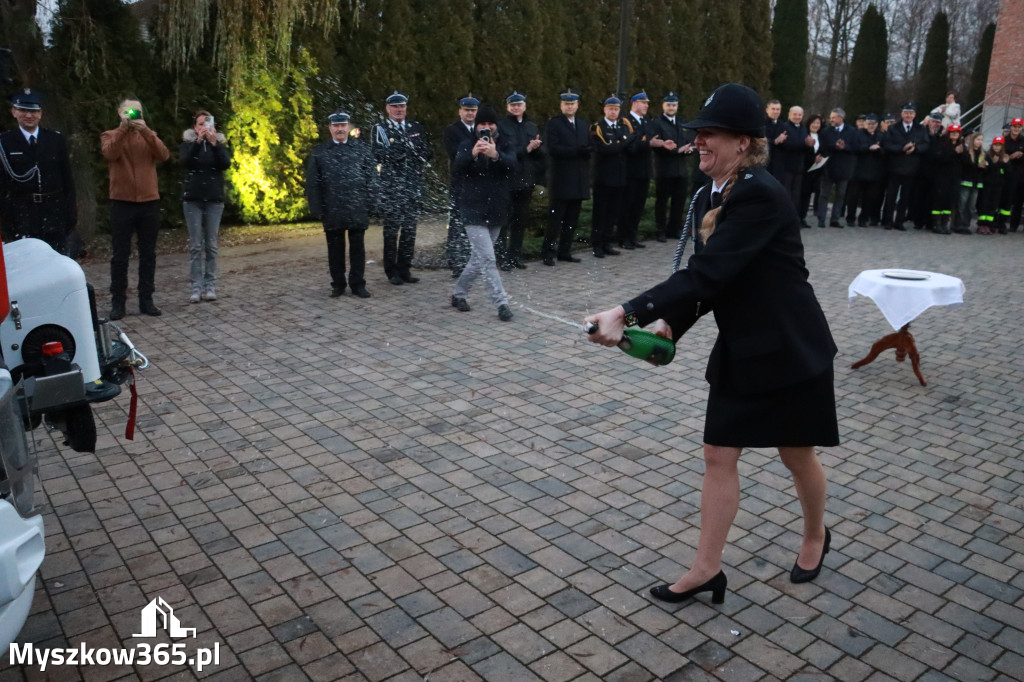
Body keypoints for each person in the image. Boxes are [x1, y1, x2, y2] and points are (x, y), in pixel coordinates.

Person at [585, 84, 838, 605]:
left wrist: (625, 311)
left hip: (791, 348)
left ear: (743, 142)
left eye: (709, 136)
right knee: (718, 454)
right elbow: (711, 280)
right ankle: (706, 569)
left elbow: (710, 272)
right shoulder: (710, 193)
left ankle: (816, 535)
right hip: (743, 348)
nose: (697, 142)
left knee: (797, 455)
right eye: (696, 135)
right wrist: (669, 327)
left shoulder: (761, 195)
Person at [100, 97, 170, 319]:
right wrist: (122, 129)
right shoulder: (110, 135)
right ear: (120, 112)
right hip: (122, 202)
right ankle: (118, 302)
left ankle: (146, 299)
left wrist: (146, 131)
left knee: (148, 254)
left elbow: (164, 155)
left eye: (137, 112)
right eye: (129, 112)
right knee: (120, 255)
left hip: (149, 201)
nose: (133, 116)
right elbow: (110, 153)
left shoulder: (148, 135)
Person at [449, 105, 515, 322]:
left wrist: (496, 155)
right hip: (472, 209)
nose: (486, 128)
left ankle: (459, 293)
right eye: (482, 124)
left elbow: (513, 165)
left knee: (478, 259)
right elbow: (457, 168)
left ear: (496, 125)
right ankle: (501, 303)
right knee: (487, 258)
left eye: (490, 124)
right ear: (476, 126)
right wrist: (473, 154)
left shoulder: (505, 142)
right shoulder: (467, 144)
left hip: (496, 209)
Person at [305, 110, 375, 298]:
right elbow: (313, 183)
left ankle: (358, 284)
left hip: (357, 207)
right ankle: (338, 284)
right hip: (332, 208)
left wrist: (372, 203)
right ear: (330, 128)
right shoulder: (320, 152)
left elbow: (372, 178)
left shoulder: (361, 149)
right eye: (335, 126)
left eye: (343, 125)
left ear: (348, 127)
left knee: (357, 249)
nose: (339, 129)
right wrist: (317, 208)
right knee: (335, 250)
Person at [0, 89, 76, 254]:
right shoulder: (5, 142)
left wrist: (70, 214)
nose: (29, 115)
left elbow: (67, 179)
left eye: (33, 111)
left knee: (56, 261)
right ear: (14, 112)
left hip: (54, 212)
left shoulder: (55, 139)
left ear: (40, 113)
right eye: (23, 110)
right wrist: (6, 220)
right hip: (21, 214)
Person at [371, 91, 433, 285]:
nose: (399, 110)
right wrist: (395, 154)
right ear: (388, 109)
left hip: (411, 186)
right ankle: (392, 271)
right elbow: (376, 154)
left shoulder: (415, 127)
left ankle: (405, 268)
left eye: (402, 106)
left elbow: (425, 150)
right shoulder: (380, 128)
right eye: (395, 106)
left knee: (409, 231)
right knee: (391, 232)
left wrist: (424, 153)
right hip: (391, 188)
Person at [180, 110, 231, 303]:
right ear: (195, 127)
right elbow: (184, 162)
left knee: (211, 245)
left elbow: (225, 163)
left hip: (214, 200)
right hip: (193, 200)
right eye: (200, 124)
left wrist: (214, 144)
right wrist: (197, 143)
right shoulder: (188, 145)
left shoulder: (219, 145)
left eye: (207, 123)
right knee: (195, 245)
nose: (204, 127)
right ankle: (196, 287)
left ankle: (210, 285)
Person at [496, 90, 544, 270]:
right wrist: (527, 149)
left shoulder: (531, 126)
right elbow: (504, 153)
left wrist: (537, 148)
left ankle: (515, 255)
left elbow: (540, 156)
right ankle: (502, 258)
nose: (516, 108)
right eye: (513, 105)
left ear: (524, 107)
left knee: (520, 221)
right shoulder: (501, 127)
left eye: (519, 105)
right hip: (508, 180)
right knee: (504, 222)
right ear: (508, 107)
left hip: (526, 180)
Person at [543, 88, 591, 266]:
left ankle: (565, 250)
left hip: (578, 179)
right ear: (561, 105)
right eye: (566, 104)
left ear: (577, 105)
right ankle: (548, 252)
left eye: (572, 104)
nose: (569, 107)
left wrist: (588, 150)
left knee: (572, 218)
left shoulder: (583, 124)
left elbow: (588, 144)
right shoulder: (554, 124)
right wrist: (575, 151)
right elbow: (553, 149)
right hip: (561, 179)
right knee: (555, 219)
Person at [589, 95, 633, 258]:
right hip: (604, 177)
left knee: (613, 212)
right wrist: (623, 143)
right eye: (610, 109)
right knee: (601, 212)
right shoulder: (598, 127)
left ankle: (607, 242)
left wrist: (620, 144)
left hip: (620, 177)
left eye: (616, 109)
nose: (613, 112)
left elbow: (628, 146)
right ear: (605, 110)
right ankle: (597, 244)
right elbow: (605, 149)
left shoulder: (622, 127)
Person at [649, 91, 695, 242]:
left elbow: (690, 141)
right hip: (664, 169)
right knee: (662, 201)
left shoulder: (682, 123)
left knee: (679, 200)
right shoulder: (657, 123)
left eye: (674, 105)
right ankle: (660, 230)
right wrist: (677, 151)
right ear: (663, 106)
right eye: (669, 105)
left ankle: (674, 229)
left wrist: (689, 150)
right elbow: (657, 146)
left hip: (681, 170)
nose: (671, 107)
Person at [443, 95, 478, 277]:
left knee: (476, 223)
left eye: (473, 110)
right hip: (460, 184)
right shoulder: (452, 131)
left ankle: (472, 261)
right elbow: (456, 156)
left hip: (478, 184)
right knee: (457, 223)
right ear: (460, 111)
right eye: (467, 110)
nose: (470, 113)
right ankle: (456, 262)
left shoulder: (481, 130)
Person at [881, 102, 929, 231]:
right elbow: (887, 144)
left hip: (911, 167)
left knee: (905, 197)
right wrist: (901, 148)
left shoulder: (920, 129)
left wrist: (915, 149)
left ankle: (899, 221)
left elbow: (925, 145)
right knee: (891, 196)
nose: (909, 115)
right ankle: (888, 220)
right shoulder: (893, 128)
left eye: (911, 113)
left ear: (915, 115)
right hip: (895, 166)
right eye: (906, 113)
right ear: (902, 114)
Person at [619, 90, 653, 250]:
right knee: (627, 205)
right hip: (631, 171)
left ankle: (632, 236)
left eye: (647, 103)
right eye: (643, 102)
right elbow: (630, 147)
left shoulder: (646, 122)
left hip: (644, 170)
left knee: (638, 205)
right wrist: (648, 143)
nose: (646, 105)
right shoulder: (626, 121)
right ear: (634, 103)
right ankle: (623, 237)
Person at [815, 107, 858, 227]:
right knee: (824, 194)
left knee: (840, 195)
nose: (831, 119)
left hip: (844, 167)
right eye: (831, 117)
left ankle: (835, 219)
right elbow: (822, 147)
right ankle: (821, 218)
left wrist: (845, 147)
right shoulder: (825, 131)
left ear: (841, 118)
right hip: (828, 167)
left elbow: (855, 148)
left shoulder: (852, 131)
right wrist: (834, 146)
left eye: (834, 117)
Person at [845, 113, 885, 227]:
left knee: (869, 197)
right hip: (858, 169)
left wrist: (878, 149)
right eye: (869, 124)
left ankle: (864, 218)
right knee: (853, 196)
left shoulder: (880, 135)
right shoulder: (857, 134)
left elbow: (885, 150)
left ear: (877, 125)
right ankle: (850, 217)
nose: (871, 126)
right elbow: (854, 147)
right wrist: (869, 147)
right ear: (865, 124)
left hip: (874, 170)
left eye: (873, 124)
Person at [926, 123, 963, 234]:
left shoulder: (962, 146)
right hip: (942, 177)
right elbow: (939, 158)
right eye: (952, 132)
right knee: (939, 200)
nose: (954, 134)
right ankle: (936, 224)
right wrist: (954, 152)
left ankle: (944, 223)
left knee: (949, 201)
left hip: (955, 178)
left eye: (957, 132)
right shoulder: (942, 144)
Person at [776, 105, 811, 212]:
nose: (797, 117)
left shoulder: (804, 128)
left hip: (799, 167)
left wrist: (809, 145)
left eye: (800, 115)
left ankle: (793, 216)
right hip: (786, 166)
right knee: (786, 193)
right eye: (795, 114)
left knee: (796, 194)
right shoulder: (784, 126)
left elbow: (806, 145)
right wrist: (804, 144)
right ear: (789, 115)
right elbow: (787, 145)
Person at [977, 136, 1009, 234]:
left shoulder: (1004, 157)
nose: (997, 147)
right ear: (992, 145)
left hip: (998, 186)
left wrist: (1006, 164)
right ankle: (982, 224)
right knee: (984, 204)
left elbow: (1008, 172)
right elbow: (984, 170)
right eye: (995, 145)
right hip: (987, 185)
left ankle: (989, 224)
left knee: (993, 205)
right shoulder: (987, 156)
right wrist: (993, 164)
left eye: (999, 145)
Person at [799, 114, 825, 227]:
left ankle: (803, 217)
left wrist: (820, 158)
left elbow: (823, 150)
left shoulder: (821, 136)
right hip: (804, 169)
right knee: (800, 194)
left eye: (818, 123)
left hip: (815, 170)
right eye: (814, 123)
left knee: (808, 195)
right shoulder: (804, 135)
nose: (816, 125)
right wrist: (813, 159)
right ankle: (797, 217)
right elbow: (803, 152)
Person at [957, 131, 985, 234]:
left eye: (981, 140)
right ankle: (959, 225)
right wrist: (977, 166)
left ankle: (966, 225)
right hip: (966, 181)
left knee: (972, 206)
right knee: (962, 204)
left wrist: (984, 166)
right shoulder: (967, 152)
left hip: (976, 183)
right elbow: (965, 164)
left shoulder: (983, 153)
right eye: (978, 139)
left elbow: (983, 168)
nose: (980, 142)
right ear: (973, 140)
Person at [1003, 117, 1024, 232]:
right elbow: (1001, 155)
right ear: (1011, 127)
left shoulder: (1023, 140)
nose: (1016, 129)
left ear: (1021, 128)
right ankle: (1001, 223)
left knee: (1018, 202)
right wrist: (1011, 157)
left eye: (1018, 127)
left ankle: (1013, 226)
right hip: (1008, 174)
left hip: (1021, 175)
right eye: (1014, 126)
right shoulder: (1004, 140)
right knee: (1006, 199)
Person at [764, 99, 785, 179]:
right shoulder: (762, 123)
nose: (775, 111)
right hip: (764, 162)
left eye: (778, 109)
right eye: (773, 109)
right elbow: (759, 140)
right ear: (767, 110)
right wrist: (774, 141)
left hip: (778, 164)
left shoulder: (782, 124)